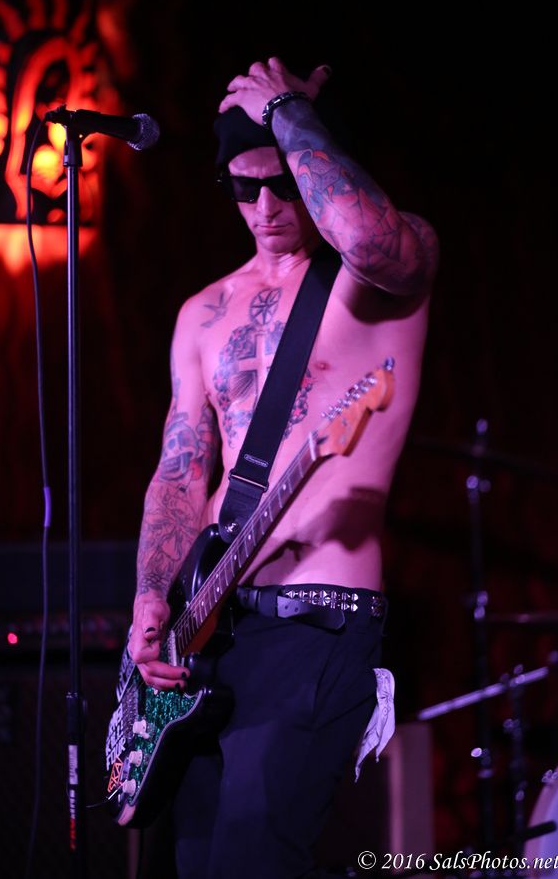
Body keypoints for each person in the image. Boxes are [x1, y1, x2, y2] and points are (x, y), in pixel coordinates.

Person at [127, 57, 439, 878]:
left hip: (316, 619)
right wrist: (152, 597)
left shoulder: (378, 274)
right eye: (243, 188)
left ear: (313, 164)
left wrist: (289, 112)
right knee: (193, 864)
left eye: (282, 183)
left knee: (254, 860)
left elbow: (367, 237)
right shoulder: (202, 313)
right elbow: (179, 472)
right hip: (208, 631)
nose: (265, 207)